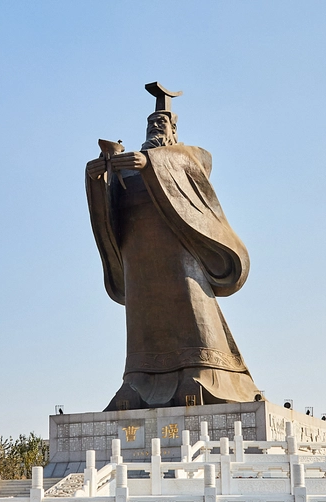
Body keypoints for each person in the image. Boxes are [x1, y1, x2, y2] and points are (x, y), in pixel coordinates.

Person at [85, 86, 258, 410]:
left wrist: (151, 163)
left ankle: (204, 371)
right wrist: (99, 176)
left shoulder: (189, 154)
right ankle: (139, 379)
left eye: (161, 127)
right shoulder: (130, 164)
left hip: (179, 251)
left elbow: (194, 166)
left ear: (173, 130)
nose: (155, 133)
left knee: (191, 311)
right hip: (139, 252)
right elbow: (110, 209)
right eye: (151, 128)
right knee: (144, 319)